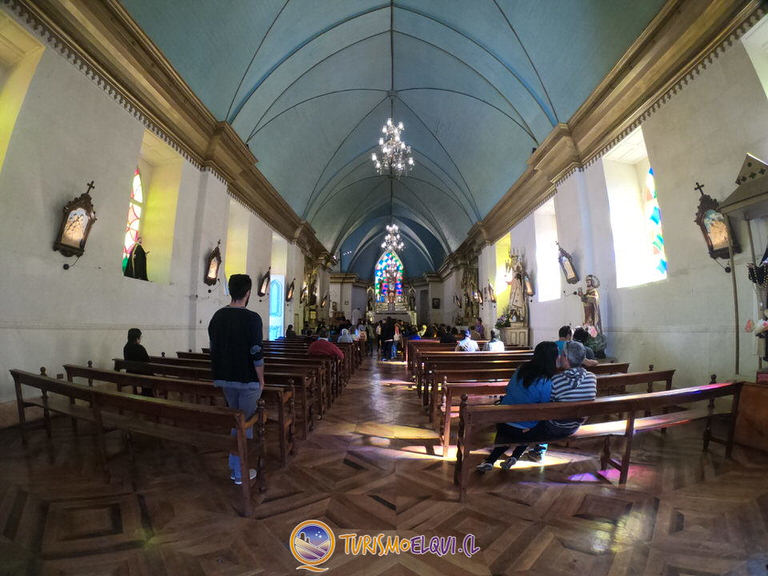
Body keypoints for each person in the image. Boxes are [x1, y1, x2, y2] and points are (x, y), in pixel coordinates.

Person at [208, 274, 264, 486]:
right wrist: (261, 379)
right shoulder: (252, 319)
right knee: (245, 424)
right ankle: (240, 472)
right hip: (247, 379)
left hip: (224, 379)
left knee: (236, 420)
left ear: (231, 290)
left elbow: (214, 348)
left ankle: (234, 467)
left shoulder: (217, 316)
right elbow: (256, 353)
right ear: (248, 293)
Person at [476, 342, 559, 471]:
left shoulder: (521, 369)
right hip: (525, 429)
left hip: (503, 421)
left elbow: (508, 388)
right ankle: (514, 456)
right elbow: (545, 406)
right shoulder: (546, 380)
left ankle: (490, 460)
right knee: (532, 427)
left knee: (511, 432)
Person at [123, 327, 153, 396]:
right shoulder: (140, 348)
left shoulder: (126, 347)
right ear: (137, 338)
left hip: (130, 373)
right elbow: (147, 361)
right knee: (149, 375)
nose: (141, 338)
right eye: (140, 336)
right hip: (141, 375)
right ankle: (148, 395)